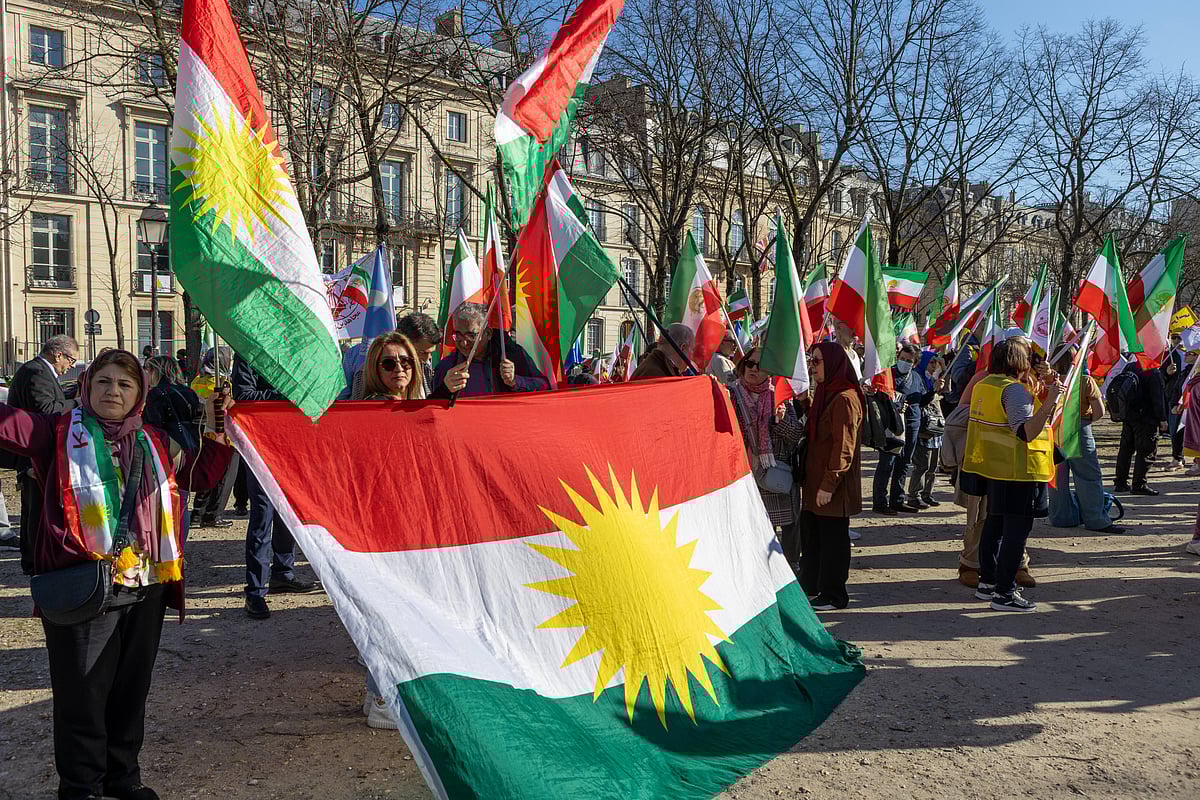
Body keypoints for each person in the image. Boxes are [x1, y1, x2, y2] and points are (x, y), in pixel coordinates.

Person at [0, 349, 233, 800]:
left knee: (131, 689)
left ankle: (123, 778)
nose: (114, 392)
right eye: (104, 382)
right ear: (86, 387)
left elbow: (202, 476)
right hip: (84, 584)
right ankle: (82, 786)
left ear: (139, 393)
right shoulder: (56, 433)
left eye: (125, 385)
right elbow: (7, 423)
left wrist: (216, 423)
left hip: (146, 585)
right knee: (82, 693)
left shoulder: (157, 442)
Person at [960, 338, 1063, 612]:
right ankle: (1004, 593)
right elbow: (1026, 432)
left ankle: (989, 583)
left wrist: (1043, 386)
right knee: (1016, 534)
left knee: (993, 526)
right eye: (1029, 358)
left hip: (994, 467)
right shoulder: (1014, 390)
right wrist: (1050, 402)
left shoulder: (985, 385)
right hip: (1019, 470)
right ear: (1019, 362)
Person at [233, 354, 321, 619]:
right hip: (261, 445)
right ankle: (255, 592)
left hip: (295, 443)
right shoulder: (248, 352)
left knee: (288, 513)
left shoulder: (301, 354)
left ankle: (283, 572)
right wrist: (286, 394)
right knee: (263, 516)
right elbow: (243, 394)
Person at [728, 347, 805, 576]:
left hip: (774, 475)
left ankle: (789, 572)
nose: (753, 369)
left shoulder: (778, 396)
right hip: (743, 474)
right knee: (753, 530)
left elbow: (795, 435)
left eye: (760, 366)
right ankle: (756, 573)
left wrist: (779, 422)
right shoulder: (731, 395)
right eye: (750, 364)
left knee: (788, 528)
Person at [800, 341, 864, 611]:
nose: (812, 367)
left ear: (834, 363)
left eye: (817, 361)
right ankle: (812, 586)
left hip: (832, 485)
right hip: (814, 482)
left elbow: (843, 446)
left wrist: (829, 484)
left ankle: (834, 594)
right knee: (813, 537)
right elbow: (820, 425)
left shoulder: (846, 398)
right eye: (810, 361)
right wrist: (804, 402)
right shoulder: (827, 392)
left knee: (833, 541)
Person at [8, 334, 78, 573]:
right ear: (58, 354)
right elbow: (47, 410)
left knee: (32, 509)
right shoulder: (37, 371)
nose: (70, 366)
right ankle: (35, 561)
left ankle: (32, 559)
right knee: (36, 509)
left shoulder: (36, 369)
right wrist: (77, 404)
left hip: (31, 452)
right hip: (31, 454)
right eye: (70, 360)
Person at [1047, 346, 1123, 533]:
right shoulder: (1084, 381)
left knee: (1057, 476)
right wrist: (1085, 422)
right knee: (1088, 476)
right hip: (1079, 427)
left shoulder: (1049, 381)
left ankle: (1061, 517)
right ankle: (1096, 519)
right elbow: (1099, 411)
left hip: (1053, 429)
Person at [433, 303, 550, 397]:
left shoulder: (511, 354)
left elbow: (545, 387)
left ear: (488, 333)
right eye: (458, 335)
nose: (464, 343)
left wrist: (515, 381)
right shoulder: (447, 367)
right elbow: (433, 407)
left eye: (471, 336)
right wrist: (445, 389)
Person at [143, 356, 203, 534]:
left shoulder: (155, 394)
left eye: (148, 369)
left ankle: (167, 548)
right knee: (182, 499)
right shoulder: (188, 391)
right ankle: (181, 549)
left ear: (156, 371)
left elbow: (152, 424)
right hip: (189, 446)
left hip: (166, 448)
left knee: (162, 498)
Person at [873, 343, 923, 513]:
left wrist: (936, 390)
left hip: (912, 424)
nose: (905, 362)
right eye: (902, 359)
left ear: (915, 363)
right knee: (887, 463)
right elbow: (880, 397)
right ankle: (880, 502)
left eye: (909, 360)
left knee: (904, 463)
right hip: (892, 426)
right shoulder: (889, 375)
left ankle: (897, 499)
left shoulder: (916, 377)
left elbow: (920, 400)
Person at [1112, 357, 1168, 495]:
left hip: (1129, 415)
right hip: (1146, 418)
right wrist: (1162, 418)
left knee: (1125, 449)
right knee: (1146, 450)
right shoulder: (1152, 371)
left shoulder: (1130, 366)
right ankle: (1139, 484)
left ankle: (1121, 482)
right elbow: (1157, 397)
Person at [906, 351, 945, 508]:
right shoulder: (917, 377)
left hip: (935, 427)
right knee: (921, 464)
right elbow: (920, 400)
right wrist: (933, 391)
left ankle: (927, 493)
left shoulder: (932, 378)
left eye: (936, 363)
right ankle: (914, 495)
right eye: (931, 362)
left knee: (933, 465)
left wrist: (944, 369)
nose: (934, 365)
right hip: (924, 427)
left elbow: (946, 391)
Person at [352, 332, 424, 401]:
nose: (399, 369)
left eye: (405, 361)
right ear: (375, 369)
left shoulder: (416, 404)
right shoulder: (373, 406)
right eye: (389, 363)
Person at [630, 323, 695, 380]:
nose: (692, 357)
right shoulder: (655, 373)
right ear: (682, 347)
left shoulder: (659, 367)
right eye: (692, 349)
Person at [1162, 344, 1191, 469]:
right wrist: (1166, 373)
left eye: (1191, 353)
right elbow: (1159, 377)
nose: (1177, 341)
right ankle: (1177, 458)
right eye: (1174, 337)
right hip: (1175, 402)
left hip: (1189, 406)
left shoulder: (1194, 369)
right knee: (1176, 432)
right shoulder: (1168, 354)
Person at [396, 311, 440, 392]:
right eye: (423, 352)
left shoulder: (425, 367)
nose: (428, 359)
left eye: (431, 353)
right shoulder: (382, 371)